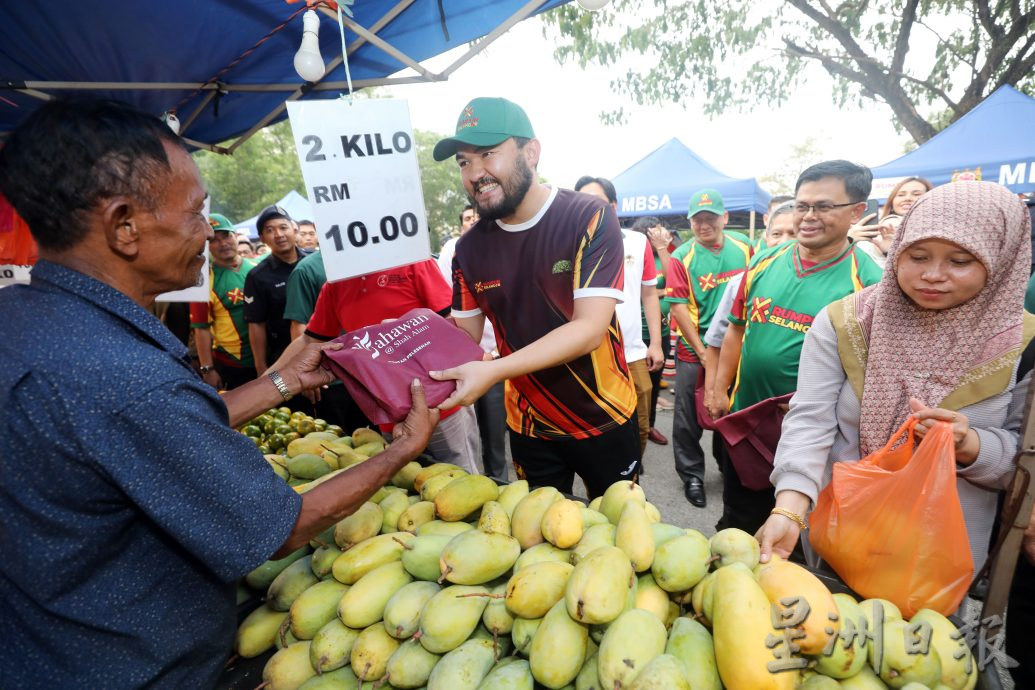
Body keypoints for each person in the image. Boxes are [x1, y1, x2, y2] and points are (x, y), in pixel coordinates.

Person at [0, 97, 438, 688]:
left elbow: (146, 432)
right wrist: (401, 451)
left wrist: (284, 380)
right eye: (196, 212)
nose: (209, 232)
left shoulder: (23, 320)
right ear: (124, 225)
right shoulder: (127, 377)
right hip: (132, 669)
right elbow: (284, 525)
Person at [758, 182, 1034, 582]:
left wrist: (970, 445)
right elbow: (810, 421)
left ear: (1001, 260)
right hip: (837, 535)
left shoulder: (1023, 345)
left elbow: (1023, 462)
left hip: (938, 559)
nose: (932, 275)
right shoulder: (847, 323)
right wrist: (790, 505)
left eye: (960, 261)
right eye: (917, 256)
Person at [429, 96, 639, 498]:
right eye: (463, 162)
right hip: (529, 424)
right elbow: (463, 337)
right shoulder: (467, 250)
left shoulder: (588, 216)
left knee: (617, 528)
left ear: (531, 152)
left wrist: (495, 370)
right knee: (538, 531)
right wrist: (409, 335)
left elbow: (589, 329)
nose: (475, 173)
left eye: (488, 154)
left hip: (605, 414)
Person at [708, 160, 883, 534]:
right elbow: (736, 329)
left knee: (800, 533)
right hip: (748, 423)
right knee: (737, 525)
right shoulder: (764, 261)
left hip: (814, 438)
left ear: (856, 212)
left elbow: (872, 375)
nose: (808, 216)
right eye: (802, 205)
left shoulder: (870, 284)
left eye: (823, 206)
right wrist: (719, 389)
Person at [285, 258, 484, 474]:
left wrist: (407, 332)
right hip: (389, 413)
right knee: (407, 481)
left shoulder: (413, 262)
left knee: (461, 477)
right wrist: (269, 379)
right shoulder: (335, 285)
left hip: (442, 405)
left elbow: (453, 322)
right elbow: (309, 339)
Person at [665, 188, 753, 507]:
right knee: (688, 416)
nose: (704, 225)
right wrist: (703, 353)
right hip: (695, 350)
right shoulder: (682, 256)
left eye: (710, 218)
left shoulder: (744, 246)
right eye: (697, 220)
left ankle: (727, 465)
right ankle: (692, 475)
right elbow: (677, 307)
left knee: (730, 410)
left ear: (724, 218)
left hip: (734, 347)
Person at [575, 175, 664, 460]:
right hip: (588, 351)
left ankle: (631, 476)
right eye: (582, 202)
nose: (589, 209)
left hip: (632, 352)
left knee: (640, 424)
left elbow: (649, 294)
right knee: (595, 427)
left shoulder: (638, 242)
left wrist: (656, 343)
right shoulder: (569, 242)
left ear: (613, 206)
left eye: (597, 202)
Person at [435, 204, 508, 481]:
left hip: (497, 359)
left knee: (495, 436)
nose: (473, 221)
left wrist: (496, 355)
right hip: (465, 361)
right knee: (467, 433)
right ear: (461, 225)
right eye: (467, 218)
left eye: (476, 217)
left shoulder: (503, 246)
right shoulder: (455, 251)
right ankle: (473, 482)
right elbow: (448, 306)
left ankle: (498, 482)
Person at [283, 250, 373, 433]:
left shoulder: (394, 262)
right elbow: (305, 332)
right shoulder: (309, 271)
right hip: (334, 378)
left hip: (375, 374)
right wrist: (296, 374)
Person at [190, 213, 259, 391]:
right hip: (233, 365)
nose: (223, 243)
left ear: (236, 236)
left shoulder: (257, 269)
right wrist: (208, 370)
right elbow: (201, 328)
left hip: (271, 359)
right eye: (214, 239)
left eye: (227, 236)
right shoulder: (203, 282)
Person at [244, 205, 314, 376]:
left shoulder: (315, 263)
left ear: (295, 230)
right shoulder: (257, 276)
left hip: (326, 346)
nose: (279, 234)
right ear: (262, 238)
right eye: (270, 230)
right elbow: (256, 323)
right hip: (284, 357)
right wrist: (261, 367)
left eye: (283, 227)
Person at [631, 215, 674, 445]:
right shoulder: (633, 254)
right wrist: (660, 292)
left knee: (654, 384)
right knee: (637, 387)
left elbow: (675, 281)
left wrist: (663, 248)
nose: (661, 235)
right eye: (656, 232)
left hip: (660, 334)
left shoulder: (662, 255)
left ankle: (650, 426)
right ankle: (634, 431)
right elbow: (636, 291)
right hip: (637, 334)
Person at [851, 176, 933, 267]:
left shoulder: (935, 231)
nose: (907, 198)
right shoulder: (888, 223)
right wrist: (848, 240)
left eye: (916, 194)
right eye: (901, 195)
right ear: (892, 202)